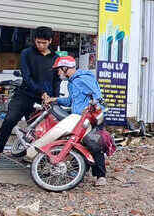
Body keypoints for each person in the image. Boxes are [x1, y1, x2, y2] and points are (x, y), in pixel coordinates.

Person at [27, 55, 107, 186]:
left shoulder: (84, 78)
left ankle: (101, 176)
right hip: (79, 119)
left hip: (91, 117)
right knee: (75, 142)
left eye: (59, 70)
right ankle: (78, 170)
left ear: (65, 68)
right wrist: (55, 99)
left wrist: (93, 104)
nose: (58, 73)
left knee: (93, 144)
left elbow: (97, 94)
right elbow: (71, 101)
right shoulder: (71, 82)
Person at [0, 27, 56, 163]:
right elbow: (27, 76)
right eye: (38, 42)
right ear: (34, 40)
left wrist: (53, 97)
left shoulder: (55, 58)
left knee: (39, 129)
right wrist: (41, 92)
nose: (41, 45)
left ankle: (33, 156)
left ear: (50, 41)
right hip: (24, 94)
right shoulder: (26, 53)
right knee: (10, 120)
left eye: (44, 43)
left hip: (44, 99)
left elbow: (57, 81)